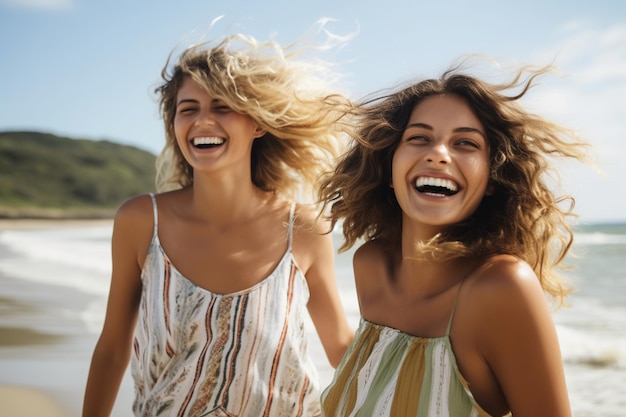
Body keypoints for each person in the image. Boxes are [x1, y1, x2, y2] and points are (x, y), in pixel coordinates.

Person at [82, 29, 355, 417]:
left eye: (222, 106)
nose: (203, 120)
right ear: (175, 126)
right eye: (188, 109)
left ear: (258, 124)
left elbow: (341, 347)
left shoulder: (303, 229)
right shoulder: (142, 221)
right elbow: (112, 348)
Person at [318, 63, 590, 417]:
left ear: (492, 177)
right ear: (388, 166)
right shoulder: (370, 264)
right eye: (419, 138)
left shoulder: (501, 286)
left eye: (465, 143)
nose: (439, 154)